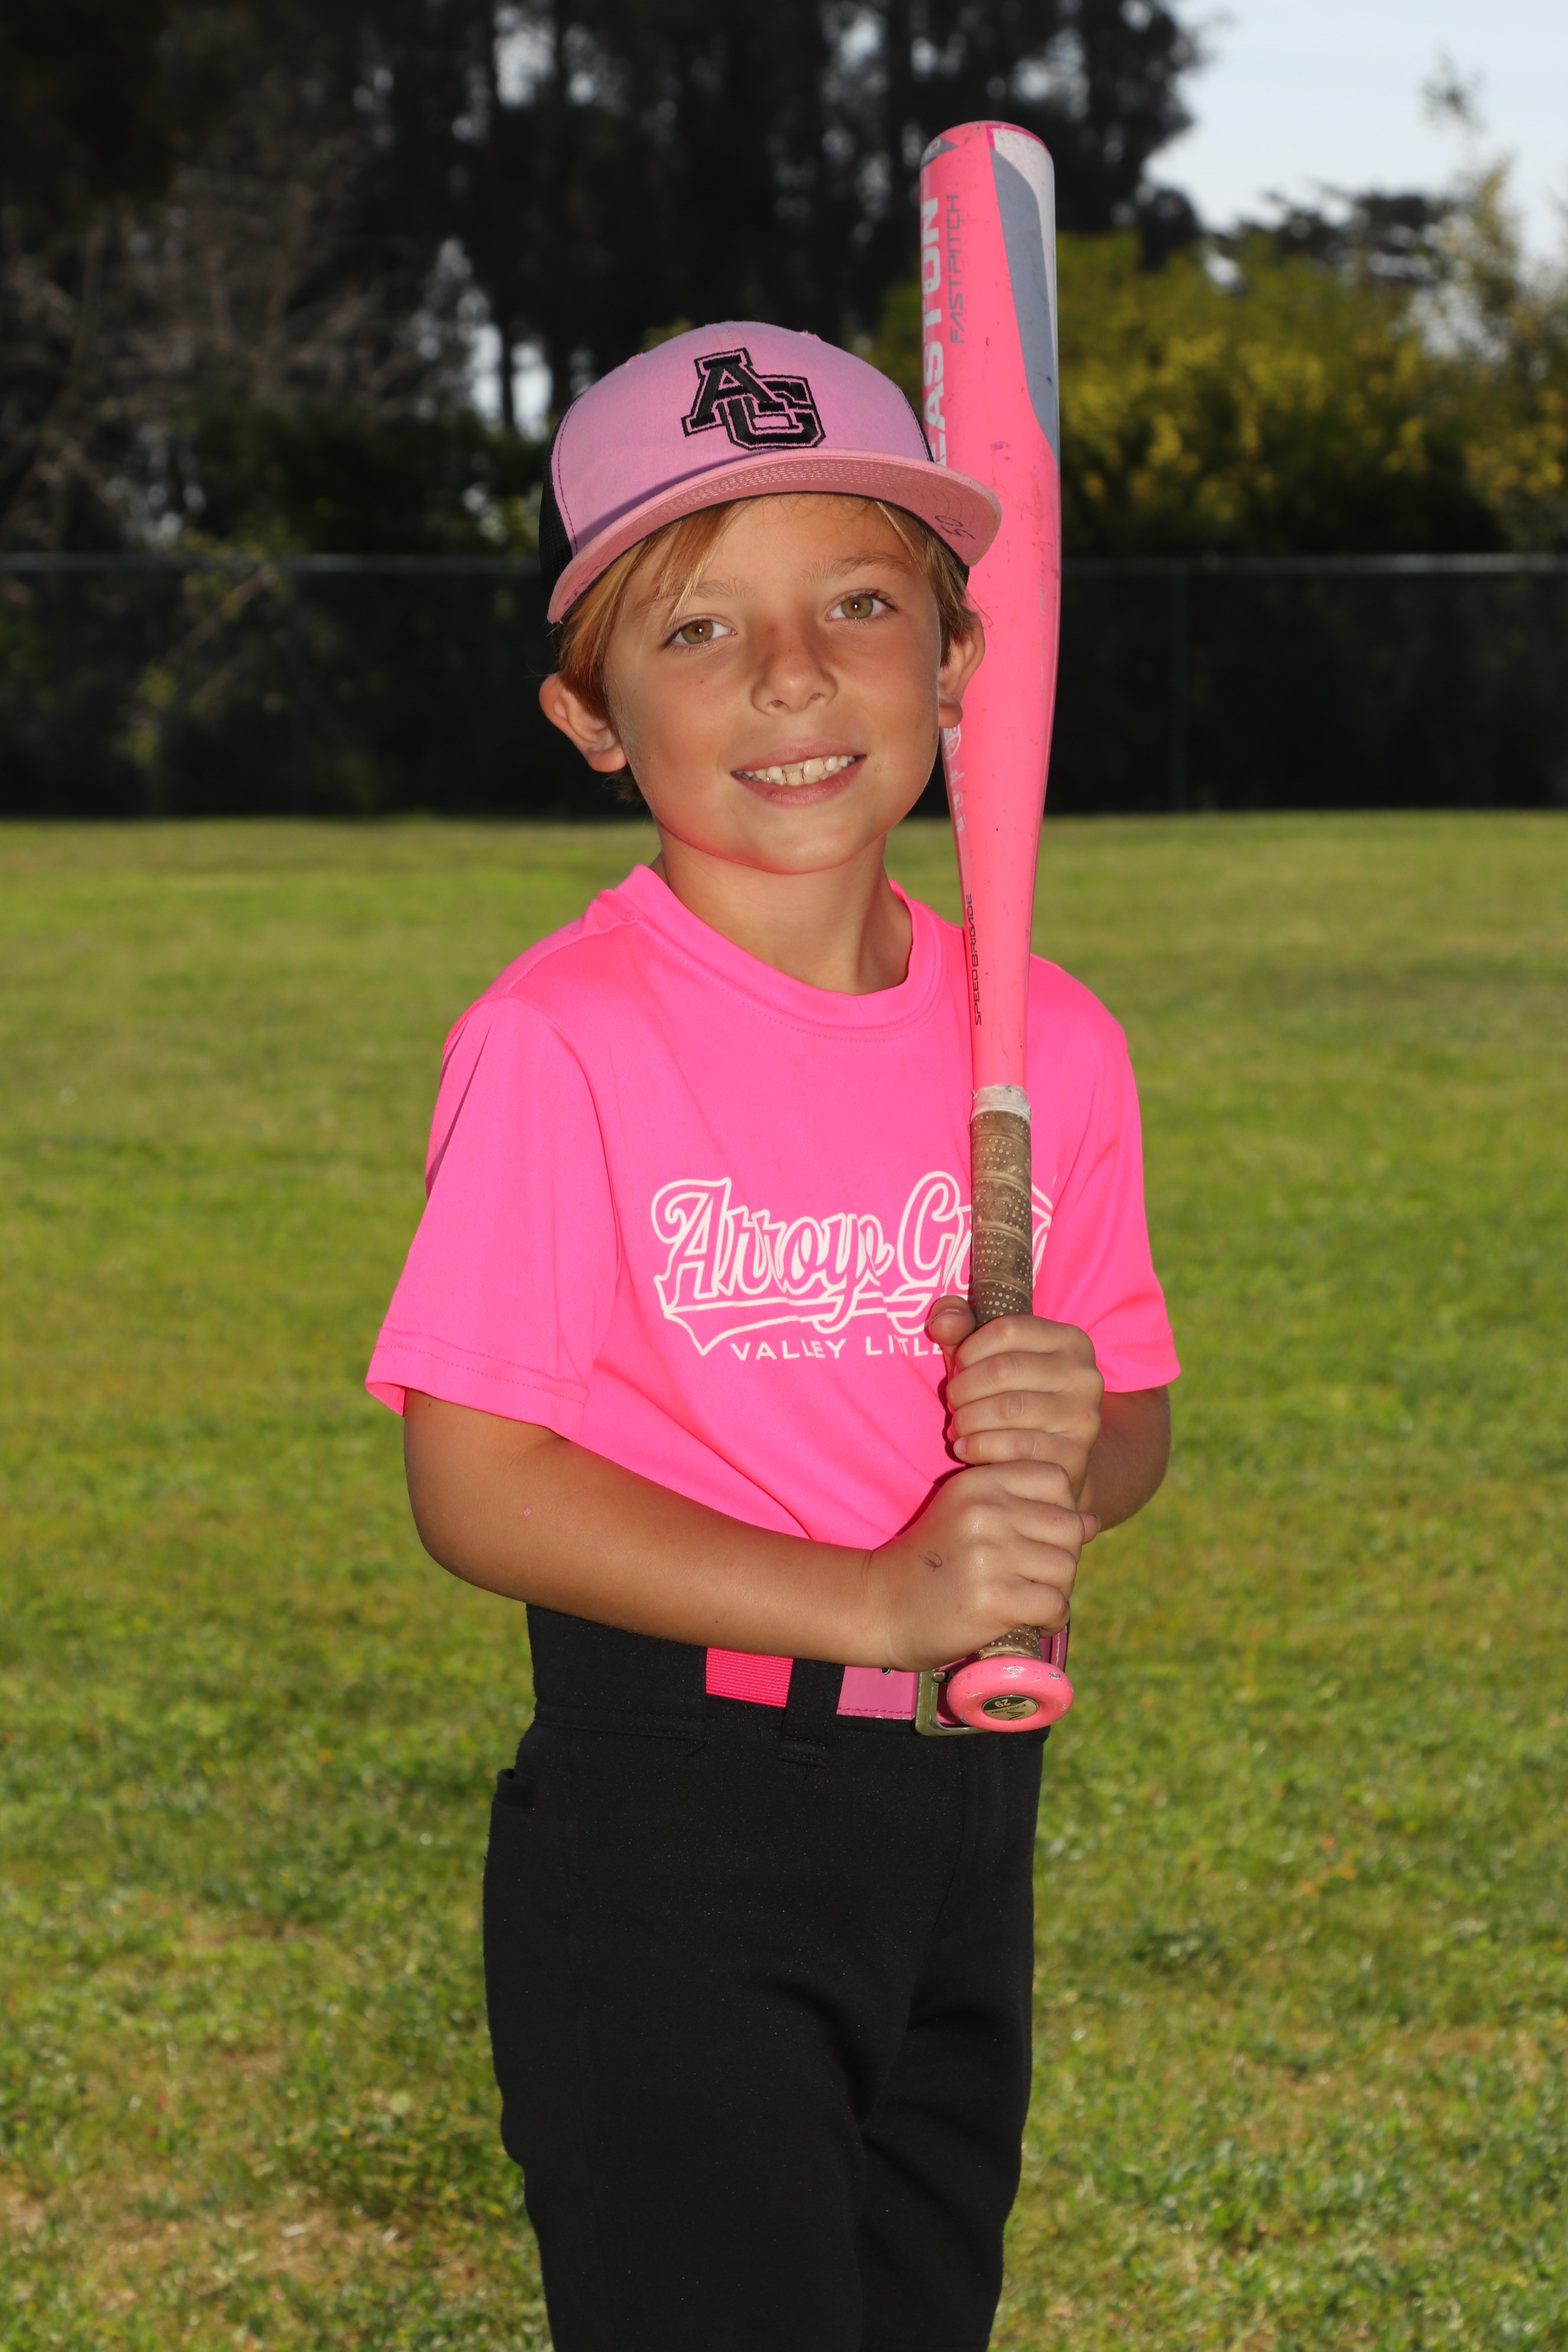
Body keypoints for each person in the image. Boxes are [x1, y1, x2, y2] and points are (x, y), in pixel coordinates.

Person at [367, 322, 1178, 2352]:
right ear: (591, 715)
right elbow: (477, 1482)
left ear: (962, 663)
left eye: (862, 605)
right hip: (674, 1826)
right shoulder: (563, 1040)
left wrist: (1071, 1435)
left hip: (963, 1818)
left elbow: (1137, 1425)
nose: (795, 676)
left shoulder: (1048, 1038)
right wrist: (880, 1600)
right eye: (700, 628)